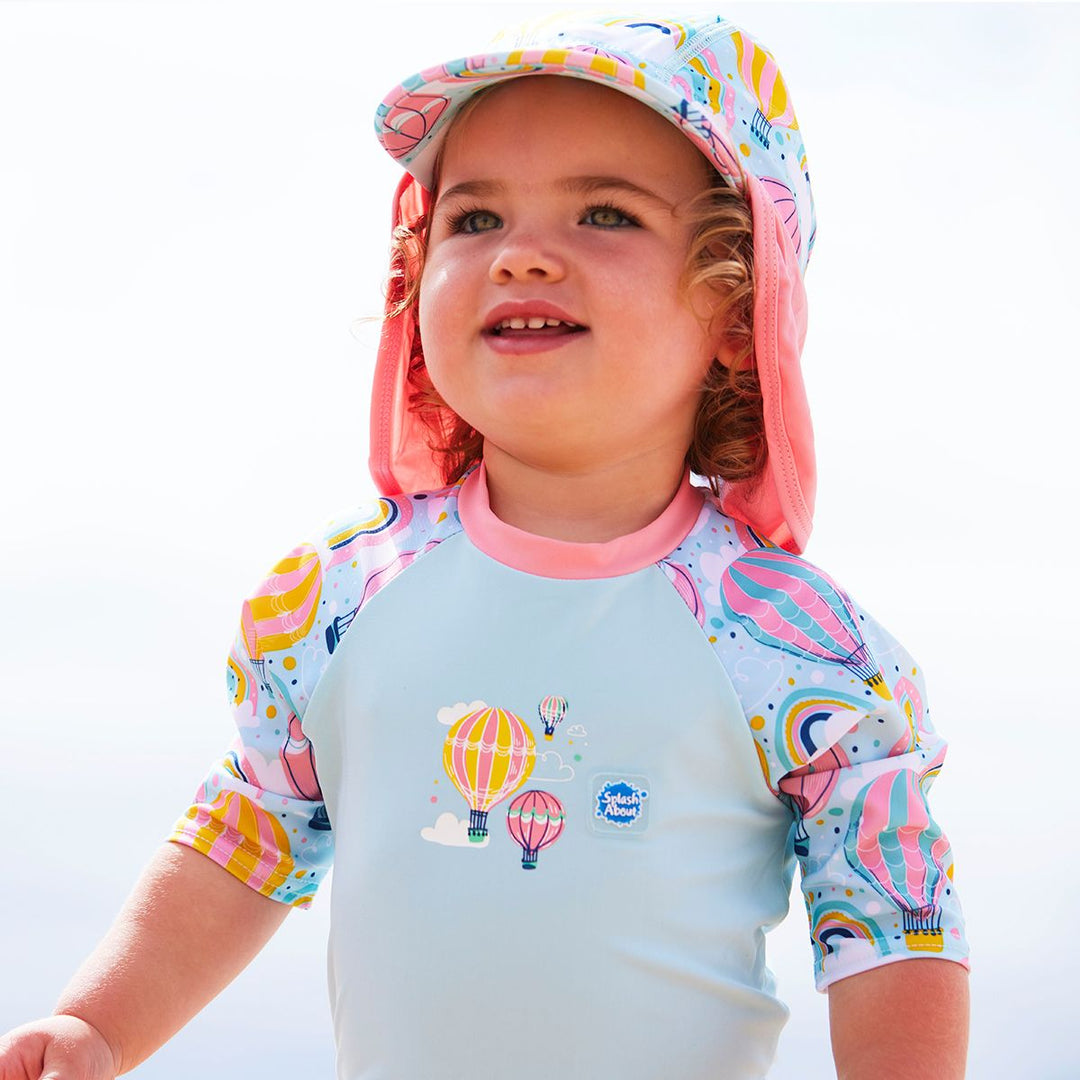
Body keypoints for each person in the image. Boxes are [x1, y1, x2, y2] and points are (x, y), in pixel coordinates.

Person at [0, 10, 970, 1079]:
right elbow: (244, 842)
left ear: (741, 307)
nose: (521, 257)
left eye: (604, 212)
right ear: (414, 287)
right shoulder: (338, 604)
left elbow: (893, 927)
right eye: (472, 220)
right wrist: (99, 1025)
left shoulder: (798, 648)